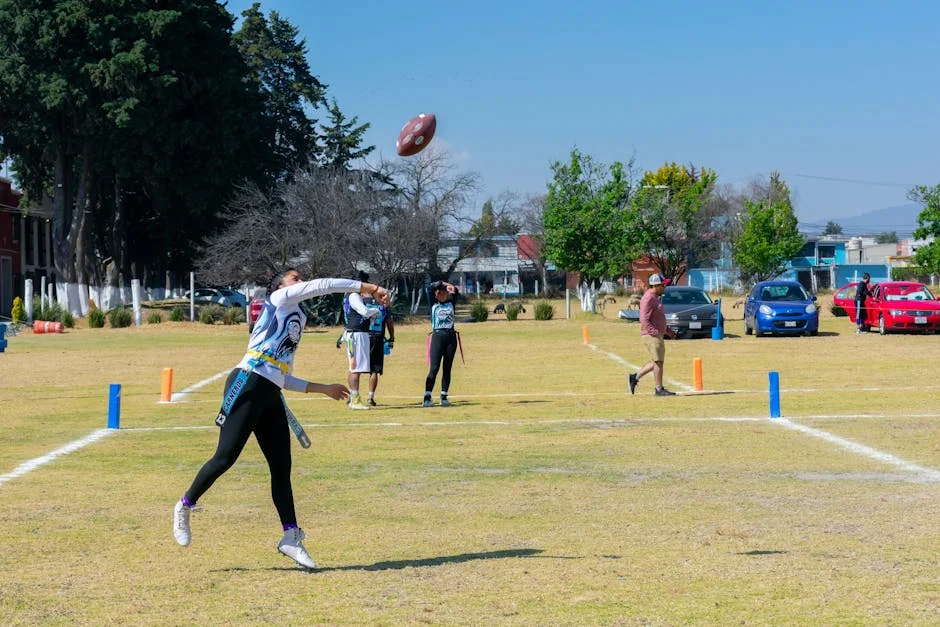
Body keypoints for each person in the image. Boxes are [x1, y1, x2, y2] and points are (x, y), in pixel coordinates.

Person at [172, 269, 390, 570]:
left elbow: (282, 376)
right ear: (280, 286)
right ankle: (184, 505)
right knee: (225, 457)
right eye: (294, 278)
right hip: (247, 382)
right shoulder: (279, 299)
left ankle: (290, 537)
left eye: (300, 278)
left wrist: (322, 388)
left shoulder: (299, 316)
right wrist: (370, 288)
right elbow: (323, 285)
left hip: (270, 392)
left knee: (281, 468)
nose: (299, 281)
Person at [628, 273, 677, 396]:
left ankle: (635, 377)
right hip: (652, 335)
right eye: (663, 285)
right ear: (655, 285)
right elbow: (643, 319)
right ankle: (659, 389)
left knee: (657, 361)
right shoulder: (648, 298)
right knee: (658, 362)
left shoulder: (655, 297)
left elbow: (658, 319)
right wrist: (654, 332)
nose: (665, 287)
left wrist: (669, 332)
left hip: (657, 334)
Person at [340, 273, 383, 410]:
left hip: (354, 333)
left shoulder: (347, 295)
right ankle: (355, 400)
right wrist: (375, 312)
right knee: (356, 368)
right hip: (357, 334)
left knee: (354, 367)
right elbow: (363, 311)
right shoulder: (354, 295)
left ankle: (354, 398)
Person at [422, 280, 459, 407]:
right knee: (434, 368)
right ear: (436, 295)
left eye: (444, 293)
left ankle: (444, 396)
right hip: (437, 337)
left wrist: (445, 284)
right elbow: (428, 287)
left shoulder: (451, 303)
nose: (442, 295)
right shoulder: (433, 304)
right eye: (439, 293)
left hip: (450, 337)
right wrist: (439, 284)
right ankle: (427, 397)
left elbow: (455, 290)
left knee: (447, 368)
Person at [364, 292, 394, 406]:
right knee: (375, 370)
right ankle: (370, 397)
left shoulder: (363, 302)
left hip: (364, 336)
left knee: (356, 369)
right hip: (378, 337)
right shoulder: (383, 304)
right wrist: (391, 337)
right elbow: (389, 322)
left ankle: (354, 395)